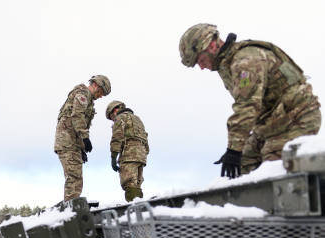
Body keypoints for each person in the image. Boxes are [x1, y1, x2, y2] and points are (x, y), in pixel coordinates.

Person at [179, 24, 321, 178]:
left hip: (297, 118)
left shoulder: (245, 61)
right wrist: (236, 151)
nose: (201, 67)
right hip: (271, 123)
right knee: (240, 167)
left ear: (212, 45)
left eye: (201, 60)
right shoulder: (227, 64)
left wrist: (233, 149)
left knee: (273, 170)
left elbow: (247, 106)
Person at [54, 75, 111, 200]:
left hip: (72, 142)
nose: (100, 96)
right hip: (67, 142)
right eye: (101, 92)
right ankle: (71, 212)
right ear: (96, 85)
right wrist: (85, 138)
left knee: (75, 177)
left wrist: (81, 148)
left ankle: (72, 209)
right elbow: (77, 116)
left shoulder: (87, 98)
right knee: (74, 178)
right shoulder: (82, 94)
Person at [106, 100, 149, 201]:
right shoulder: (137, 119)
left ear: (115, 110)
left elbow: (117, 138)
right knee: (137, 184)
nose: (113, 119)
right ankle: (140, 207)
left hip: (129, 154)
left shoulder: (120, 118)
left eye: (111, 117)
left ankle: (134, 210)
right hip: (141, 155)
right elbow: (145, 138)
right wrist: (143, 152)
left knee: (129, 183)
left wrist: (113, 157)